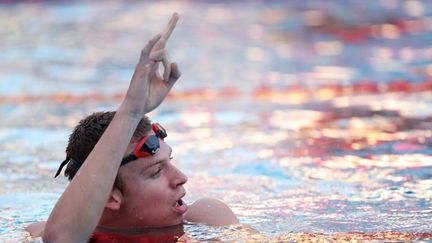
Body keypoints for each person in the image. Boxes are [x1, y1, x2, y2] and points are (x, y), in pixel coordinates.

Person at [26, 13, 238, 242]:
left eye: (170, 162)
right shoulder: (43, 233)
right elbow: (61, 239)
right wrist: (130, 111)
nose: (181, 178)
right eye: (156, 171)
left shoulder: (204, 222)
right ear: (110, 197)